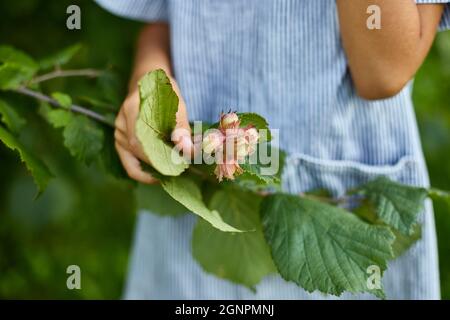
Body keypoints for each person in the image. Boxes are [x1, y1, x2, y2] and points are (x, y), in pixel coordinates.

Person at [95, 0, 450, 299]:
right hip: (194, 201)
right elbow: (163, 20)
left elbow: (382, 72)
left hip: (341, 201)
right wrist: (151, 87)